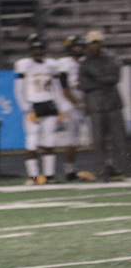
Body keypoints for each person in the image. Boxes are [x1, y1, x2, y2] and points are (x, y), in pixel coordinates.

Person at [78, 31, 130, 181]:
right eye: (92, 43)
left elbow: (114, 78)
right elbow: (83, 84)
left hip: (112, 104)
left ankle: (127, 171)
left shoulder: (111, 58)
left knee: (120, 140)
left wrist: (95, 78)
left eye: (97, 42)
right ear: (88, 44)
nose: (95, 45)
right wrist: (102, 79)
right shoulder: (84, 62)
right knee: (98, 142)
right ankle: (102, 173)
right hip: (95, 106)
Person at [14, 34, 65, 185]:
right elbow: (19, 90)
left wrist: (60, 107)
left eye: (40, 49)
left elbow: (56, 87)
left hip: (49, 103)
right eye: (35, 49)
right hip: (33, 105)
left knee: (49, 140)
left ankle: (49, 175)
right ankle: (34, 176)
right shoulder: (24, 65)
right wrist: (27, 109)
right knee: (32, 140)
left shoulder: (51, 65)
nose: (38, 52)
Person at [55, 35, 94, 181]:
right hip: (69, 104)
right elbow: (65, 89)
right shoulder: (64, 64)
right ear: (69, 48)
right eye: (75, 46)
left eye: (80, 46)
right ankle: (69, 171)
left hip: (84, 102)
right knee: (73, 139)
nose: (79, 48)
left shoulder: (86, 62)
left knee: (97, 136)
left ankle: (106, 166)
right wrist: (78, 103)